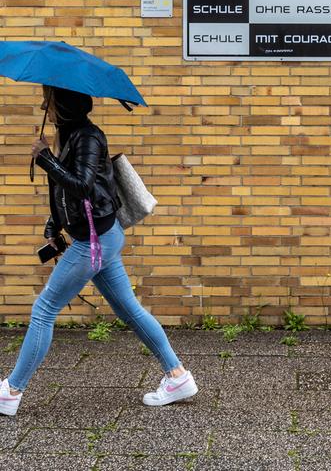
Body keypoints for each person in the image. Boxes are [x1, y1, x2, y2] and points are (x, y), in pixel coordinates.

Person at [0, 85, 197, 416]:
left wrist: (46, 159)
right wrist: (54, 224)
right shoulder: (72, 134)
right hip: (100, 237)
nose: (43, 103)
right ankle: (177, 376)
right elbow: (71, 196)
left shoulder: (88, 137)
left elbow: (83, 185)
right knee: (129, 310)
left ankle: (11, 391)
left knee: (45, 308)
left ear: (62, 103)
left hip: (96, 241)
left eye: (47, 97)